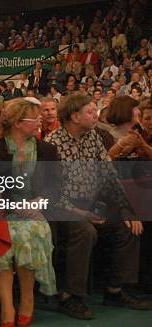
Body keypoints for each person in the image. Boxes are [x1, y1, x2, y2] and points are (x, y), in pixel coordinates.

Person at [46, 94, 152, 319]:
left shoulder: (93, 137)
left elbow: (109, 175)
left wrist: (126, 207)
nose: (97, 115)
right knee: (84, 230)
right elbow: (50, 191)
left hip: (91, 204)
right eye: (91, 112)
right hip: (62, 207)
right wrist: (79, 212)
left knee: (128, 223)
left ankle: (115, 289)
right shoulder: (53, 143)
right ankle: (70, 296)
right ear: (75, 116)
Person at [0, 98, 58, 327]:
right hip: (5, 212)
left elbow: (55, 187)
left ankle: (27, 299)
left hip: (36, 212)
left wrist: (38, 203)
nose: (39, 122)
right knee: (3, 240)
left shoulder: (47, 150)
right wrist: (10, 207)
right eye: (35, 119)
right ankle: (7, 306)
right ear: (18, 123)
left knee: (25, 235)